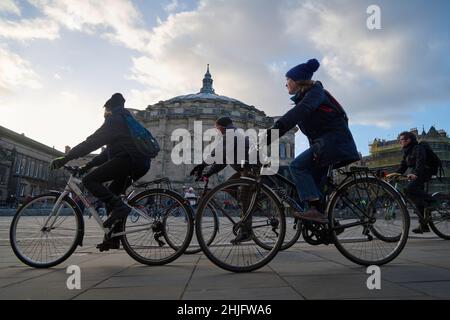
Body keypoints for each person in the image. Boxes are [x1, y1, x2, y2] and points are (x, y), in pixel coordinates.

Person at [49, 93, 151, 251]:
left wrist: (66, 158)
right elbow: (106, 154)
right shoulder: (125, 121)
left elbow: (91, 143)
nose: (104, 114)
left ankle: (121, 209)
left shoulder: (114, 121)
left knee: (89, 181)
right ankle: (113, 239)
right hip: (140, 162)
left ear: (109, 109)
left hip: (129, 160)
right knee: (112, 194)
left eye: (105, 110)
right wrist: (87, 166)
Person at [268, 59, 360, 223]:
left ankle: (315, 211)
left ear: (297, 80)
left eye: (287, 80)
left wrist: (271, 134)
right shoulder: (306, 97)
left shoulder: (316, 93)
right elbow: (296, 115)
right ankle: (326, 221)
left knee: (296, 166)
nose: (286, 84)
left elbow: (298, 113)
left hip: (333, 143)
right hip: (326, 146)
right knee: (314, 184)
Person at [190, 117, 255, 243]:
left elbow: (220, 152)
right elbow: (222, 160)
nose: (217, 130)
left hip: (252, 168)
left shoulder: (231, 133)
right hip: (245, 169)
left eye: (217, 127)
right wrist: (207, 173)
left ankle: (247, 231)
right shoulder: (231, 134)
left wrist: (203, 164)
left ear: (221, 126)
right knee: (228, 187)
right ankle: (249, 204)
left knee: (244, 196)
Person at [396, 131, 433, 234]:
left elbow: (420, 161)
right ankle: (424, 226)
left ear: (409, 140)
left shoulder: (418, 148)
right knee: (417, 200)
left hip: (423, 172)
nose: (400, 142)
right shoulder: (407, 151)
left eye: (401, 140)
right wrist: (394, 175)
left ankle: (431, 201)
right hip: (415, 173)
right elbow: (403, 166)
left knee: (409, 189)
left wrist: (415, 174)